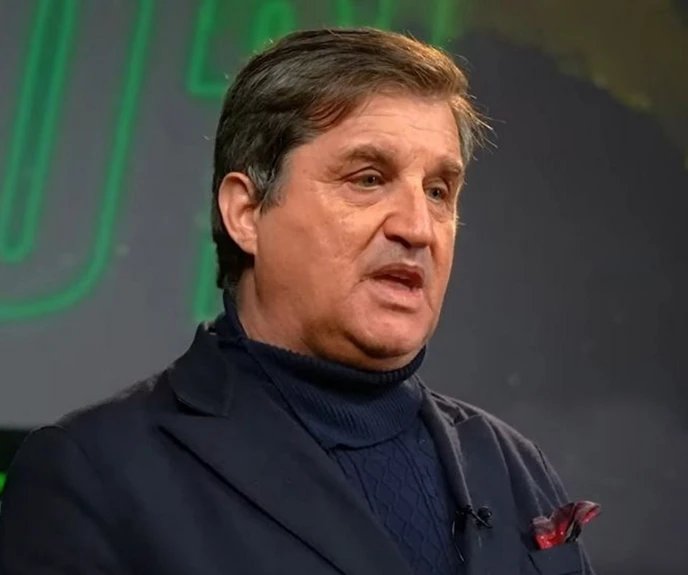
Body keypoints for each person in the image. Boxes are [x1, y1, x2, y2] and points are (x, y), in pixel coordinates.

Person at [0, 28, 596, 575]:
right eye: (368, 179)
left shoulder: (512, 466)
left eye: (439, 191)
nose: (418, 227)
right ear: (246, 212)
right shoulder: (95, 474)